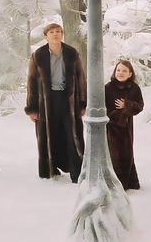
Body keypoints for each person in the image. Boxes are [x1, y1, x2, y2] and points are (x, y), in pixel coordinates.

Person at [25, 23, 86, 183]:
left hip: (68, 100)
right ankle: (50, 170)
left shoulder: (72, 53)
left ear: (62, 34)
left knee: (72, 135)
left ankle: (77, 173)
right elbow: (31, 81)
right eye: (51, 32)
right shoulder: (38, 55)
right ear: (46, 36)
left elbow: (81, 78)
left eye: (58, 31)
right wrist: (32, 108)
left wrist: (82, 103)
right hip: (46, 101)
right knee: (48, 135)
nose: (55, 34)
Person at [104, 60, 144, 190]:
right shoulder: (108, 87)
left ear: (130, 74)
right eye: (118, 70)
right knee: (114, 154)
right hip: (111, 127)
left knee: (127, 152)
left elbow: (139, 106)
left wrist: (126, 105)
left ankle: (130, 182)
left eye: (124, 71)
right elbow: (104, 108)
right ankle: (117, 185)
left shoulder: (134, 88)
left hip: (127, 127)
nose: (120, 73)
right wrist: (117, 114)